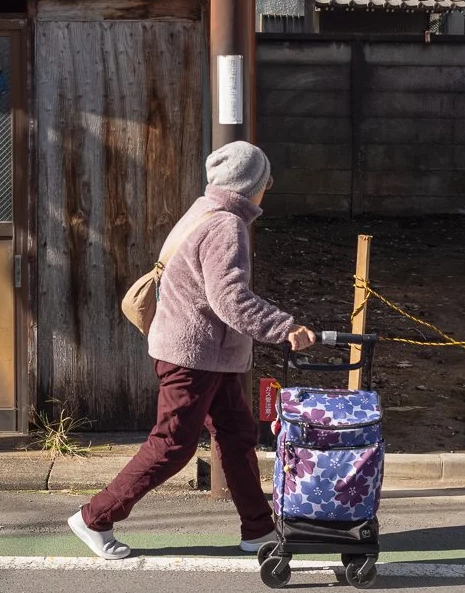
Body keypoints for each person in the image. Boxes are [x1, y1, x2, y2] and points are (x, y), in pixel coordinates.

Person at [68, 141, 316, 559]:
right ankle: (95, 517)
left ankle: (257, 530)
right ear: (251, 184)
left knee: (236, 436)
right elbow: (230, 300)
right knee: (172, 444)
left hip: (204, 353)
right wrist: (285, 327)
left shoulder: (201, 210)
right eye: (265, 182)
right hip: (193, 355)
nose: (266, 191)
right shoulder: (225, 225)